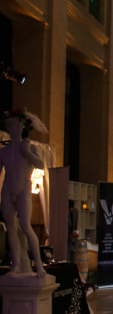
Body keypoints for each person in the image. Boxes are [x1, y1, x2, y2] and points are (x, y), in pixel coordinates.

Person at [0, 108, 47, 277]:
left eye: (19, 124)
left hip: (23, 190)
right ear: (8, 127)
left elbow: (41, 165)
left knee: (26, 226)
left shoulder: (29, 147)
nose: (16, 128)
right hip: (7, 190)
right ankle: (17, 265)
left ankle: (39, 265)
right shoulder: (3, 151)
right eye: (12, 125)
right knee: (11, 228)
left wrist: (26, 152)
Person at [68, 199, 79, 263]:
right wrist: (69, 235)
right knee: (67, 261)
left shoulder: (75, 212)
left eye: (71, 208)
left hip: (73, 242)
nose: (70, 209)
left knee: (73, 261)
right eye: (69, 208)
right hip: (66, 242)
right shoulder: (62, 214)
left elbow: (75, 226)